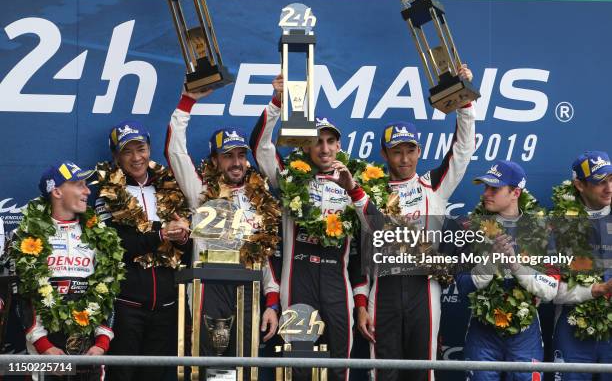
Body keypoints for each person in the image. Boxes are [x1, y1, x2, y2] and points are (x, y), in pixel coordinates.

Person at [353, 65, 475, 381]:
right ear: (384, 154)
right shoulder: (372, 191)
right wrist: (363, 303)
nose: (404, 158)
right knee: (384, 372)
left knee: (423, 372)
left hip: (425, 287)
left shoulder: (433, 184)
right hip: (385, 290)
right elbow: (362, 255)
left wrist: (465, 103)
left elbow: (461, 152)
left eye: (410, 150)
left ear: (419, 151)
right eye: (397, 152)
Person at [251, 75, 370, 381]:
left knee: (340, 364)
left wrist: (353, 189)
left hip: (336, 281)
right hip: (298, 279)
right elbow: (261, 148)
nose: (325, 148)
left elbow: (373, 235)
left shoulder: (357, 182)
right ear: (306, 145)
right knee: (298, 365)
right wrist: (277, 101)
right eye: (317, 141)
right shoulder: (290, 177)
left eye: (331, 141)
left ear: (339, 145)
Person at [165, 88, 281, 373]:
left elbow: (265, 253)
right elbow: (174, 150)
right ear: (215, 160)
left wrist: (273, 301)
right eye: (228, 156)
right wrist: (186, 101)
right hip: (208, 285)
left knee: (245, 366)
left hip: (249, 285)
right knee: (210, 365)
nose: (237, 162)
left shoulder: (260, 195)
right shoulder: (200, 190)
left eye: (241, 155)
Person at [95, 121, 192, 381]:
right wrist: (161, 234)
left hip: (166, 306)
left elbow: (190, 248)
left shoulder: (169, 187)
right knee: (122, 375)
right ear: (116, 157)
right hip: (127, 305)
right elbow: (116, 245)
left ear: (150, 149)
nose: (136, 158)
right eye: (127, 151)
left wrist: (182, 237)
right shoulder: (107, 192)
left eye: (141, 148)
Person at [11, 161, 123, 379]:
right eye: (80, 184)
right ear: (57, 191)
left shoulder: (99, 234)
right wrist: (44, 347)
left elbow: (109, 293)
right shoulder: (27, 235)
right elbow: (23, 296)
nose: (87, 191)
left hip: (90, 351)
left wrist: (101, 344)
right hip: (45, 352)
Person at [457, 160, 559, 381]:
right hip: (482, 331)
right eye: (485, 187)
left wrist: (516, 266)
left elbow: (551, 289)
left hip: (526, 334)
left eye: (494, 188)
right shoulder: (469, 227)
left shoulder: (542, 229)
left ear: (515, 192)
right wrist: (491, 261)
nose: (486, 193)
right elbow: (463, 286)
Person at [551, 151, 612, 381]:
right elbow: (549, 291)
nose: (609, 188)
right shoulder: (556, 226)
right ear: (579, 185)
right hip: (572, 330)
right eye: (600, 182)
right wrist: (595, 290)